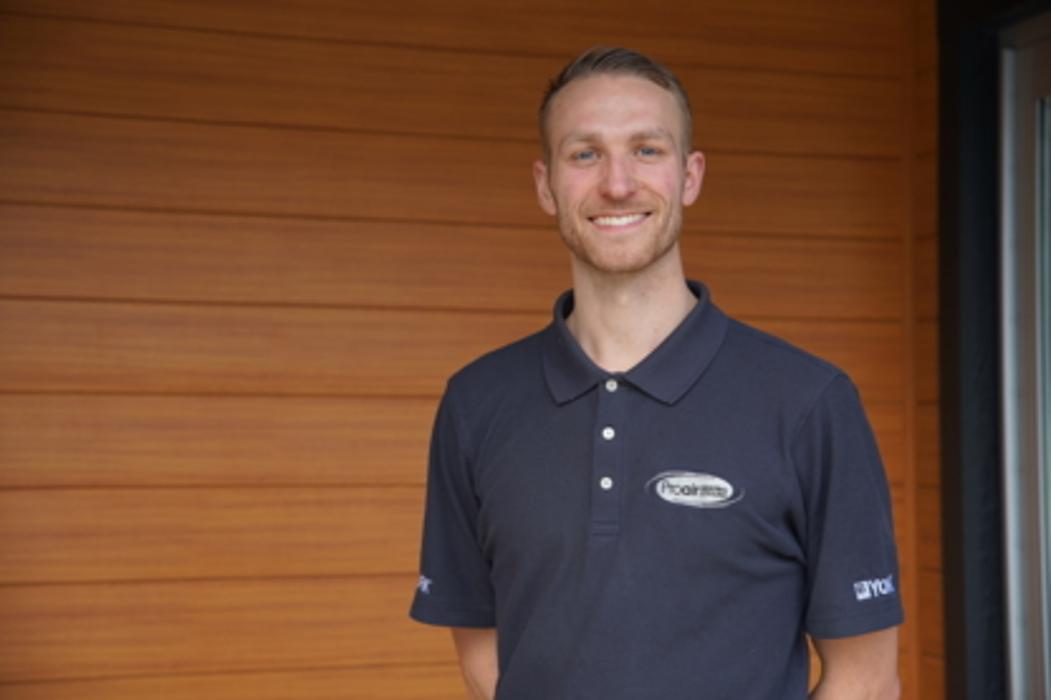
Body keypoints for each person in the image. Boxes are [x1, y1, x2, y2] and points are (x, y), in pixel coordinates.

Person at [409, 46, 903, 699]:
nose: (617, 184)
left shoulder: (809, 402)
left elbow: (866, 680)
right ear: (545, 184)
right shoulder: (477, 402)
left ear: (690, 176)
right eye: (584, 154)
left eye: (647, 150)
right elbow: (485, 660)